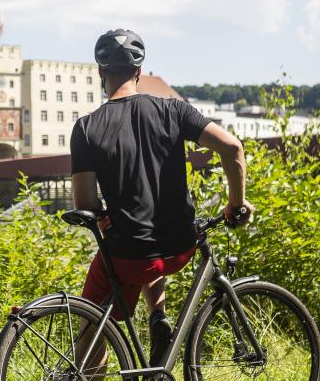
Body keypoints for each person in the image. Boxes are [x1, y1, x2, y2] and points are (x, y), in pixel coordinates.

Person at [70, 29, 254, 368]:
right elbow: (232, 148)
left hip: (128, 256)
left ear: (101, 72)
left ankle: (92, 368)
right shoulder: (175, 111)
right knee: (151, 253)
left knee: (91, 327)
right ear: (139, 72)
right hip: (178, 248)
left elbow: (85, 202)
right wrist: (236, 203)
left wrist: (101, 213)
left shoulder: (86, 128)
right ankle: (159, 318)